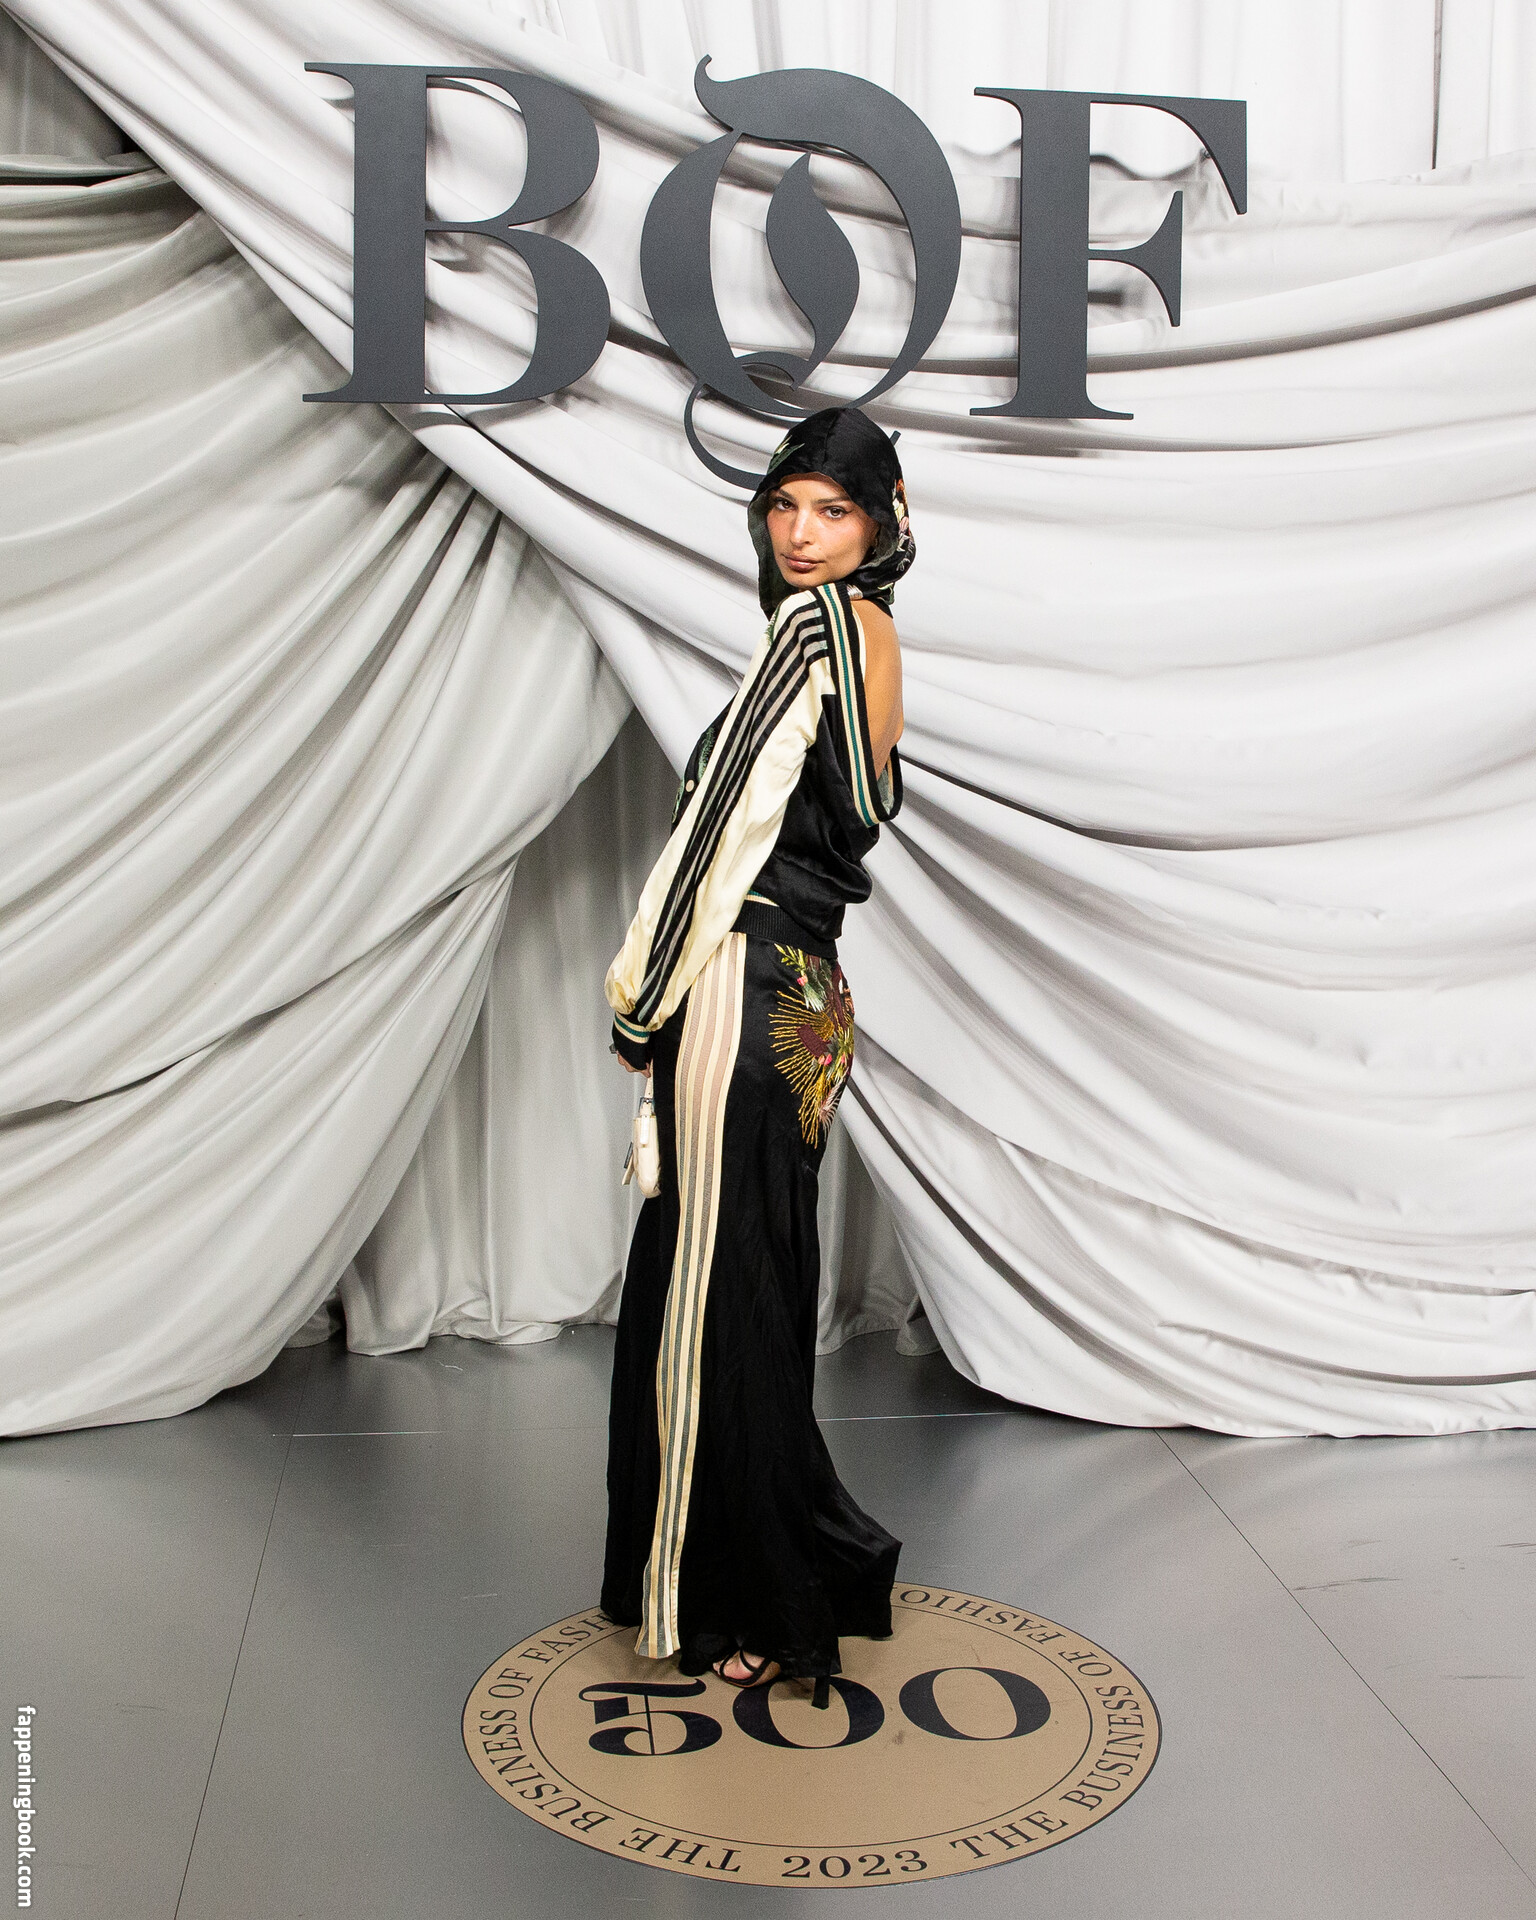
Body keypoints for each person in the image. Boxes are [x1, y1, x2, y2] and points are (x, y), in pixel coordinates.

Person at [600, 405, 912, 1706]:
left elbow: (718, 834)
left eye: (832, 510)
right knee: (758, 1287)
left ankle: (738, 1597)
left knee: (710, 1301)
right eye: (785, 506)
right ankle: (790, 1567)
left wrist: (639, 1003)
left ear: (884, 523)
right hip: (815, 993)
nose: (800, 532)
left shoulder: (813, 629)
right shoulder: (876, 635)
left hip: (742, 981)